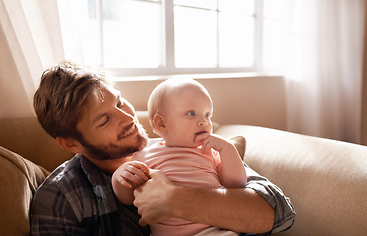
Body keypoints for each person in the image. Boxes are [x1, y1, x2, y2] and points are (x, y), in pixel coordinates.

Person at [30, 60, 295, 236]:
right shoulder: (61, 199)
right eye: (105, 119)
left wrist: (176, 200)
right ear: (71, 143)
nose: (128, 118)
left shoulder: (185, 145)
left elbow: (278, 212)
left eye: (120, 102)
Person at [112, 78, 247, 236]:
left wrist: (228, 149)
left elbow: (236, 184)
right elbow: (128, 198)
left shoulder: (211, 151)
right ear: (161, 124)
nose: (204, 122)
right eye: (191, 113)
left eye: (208, 115)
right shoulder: (145, 154)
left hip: (210, 231)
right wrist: (119, 176)